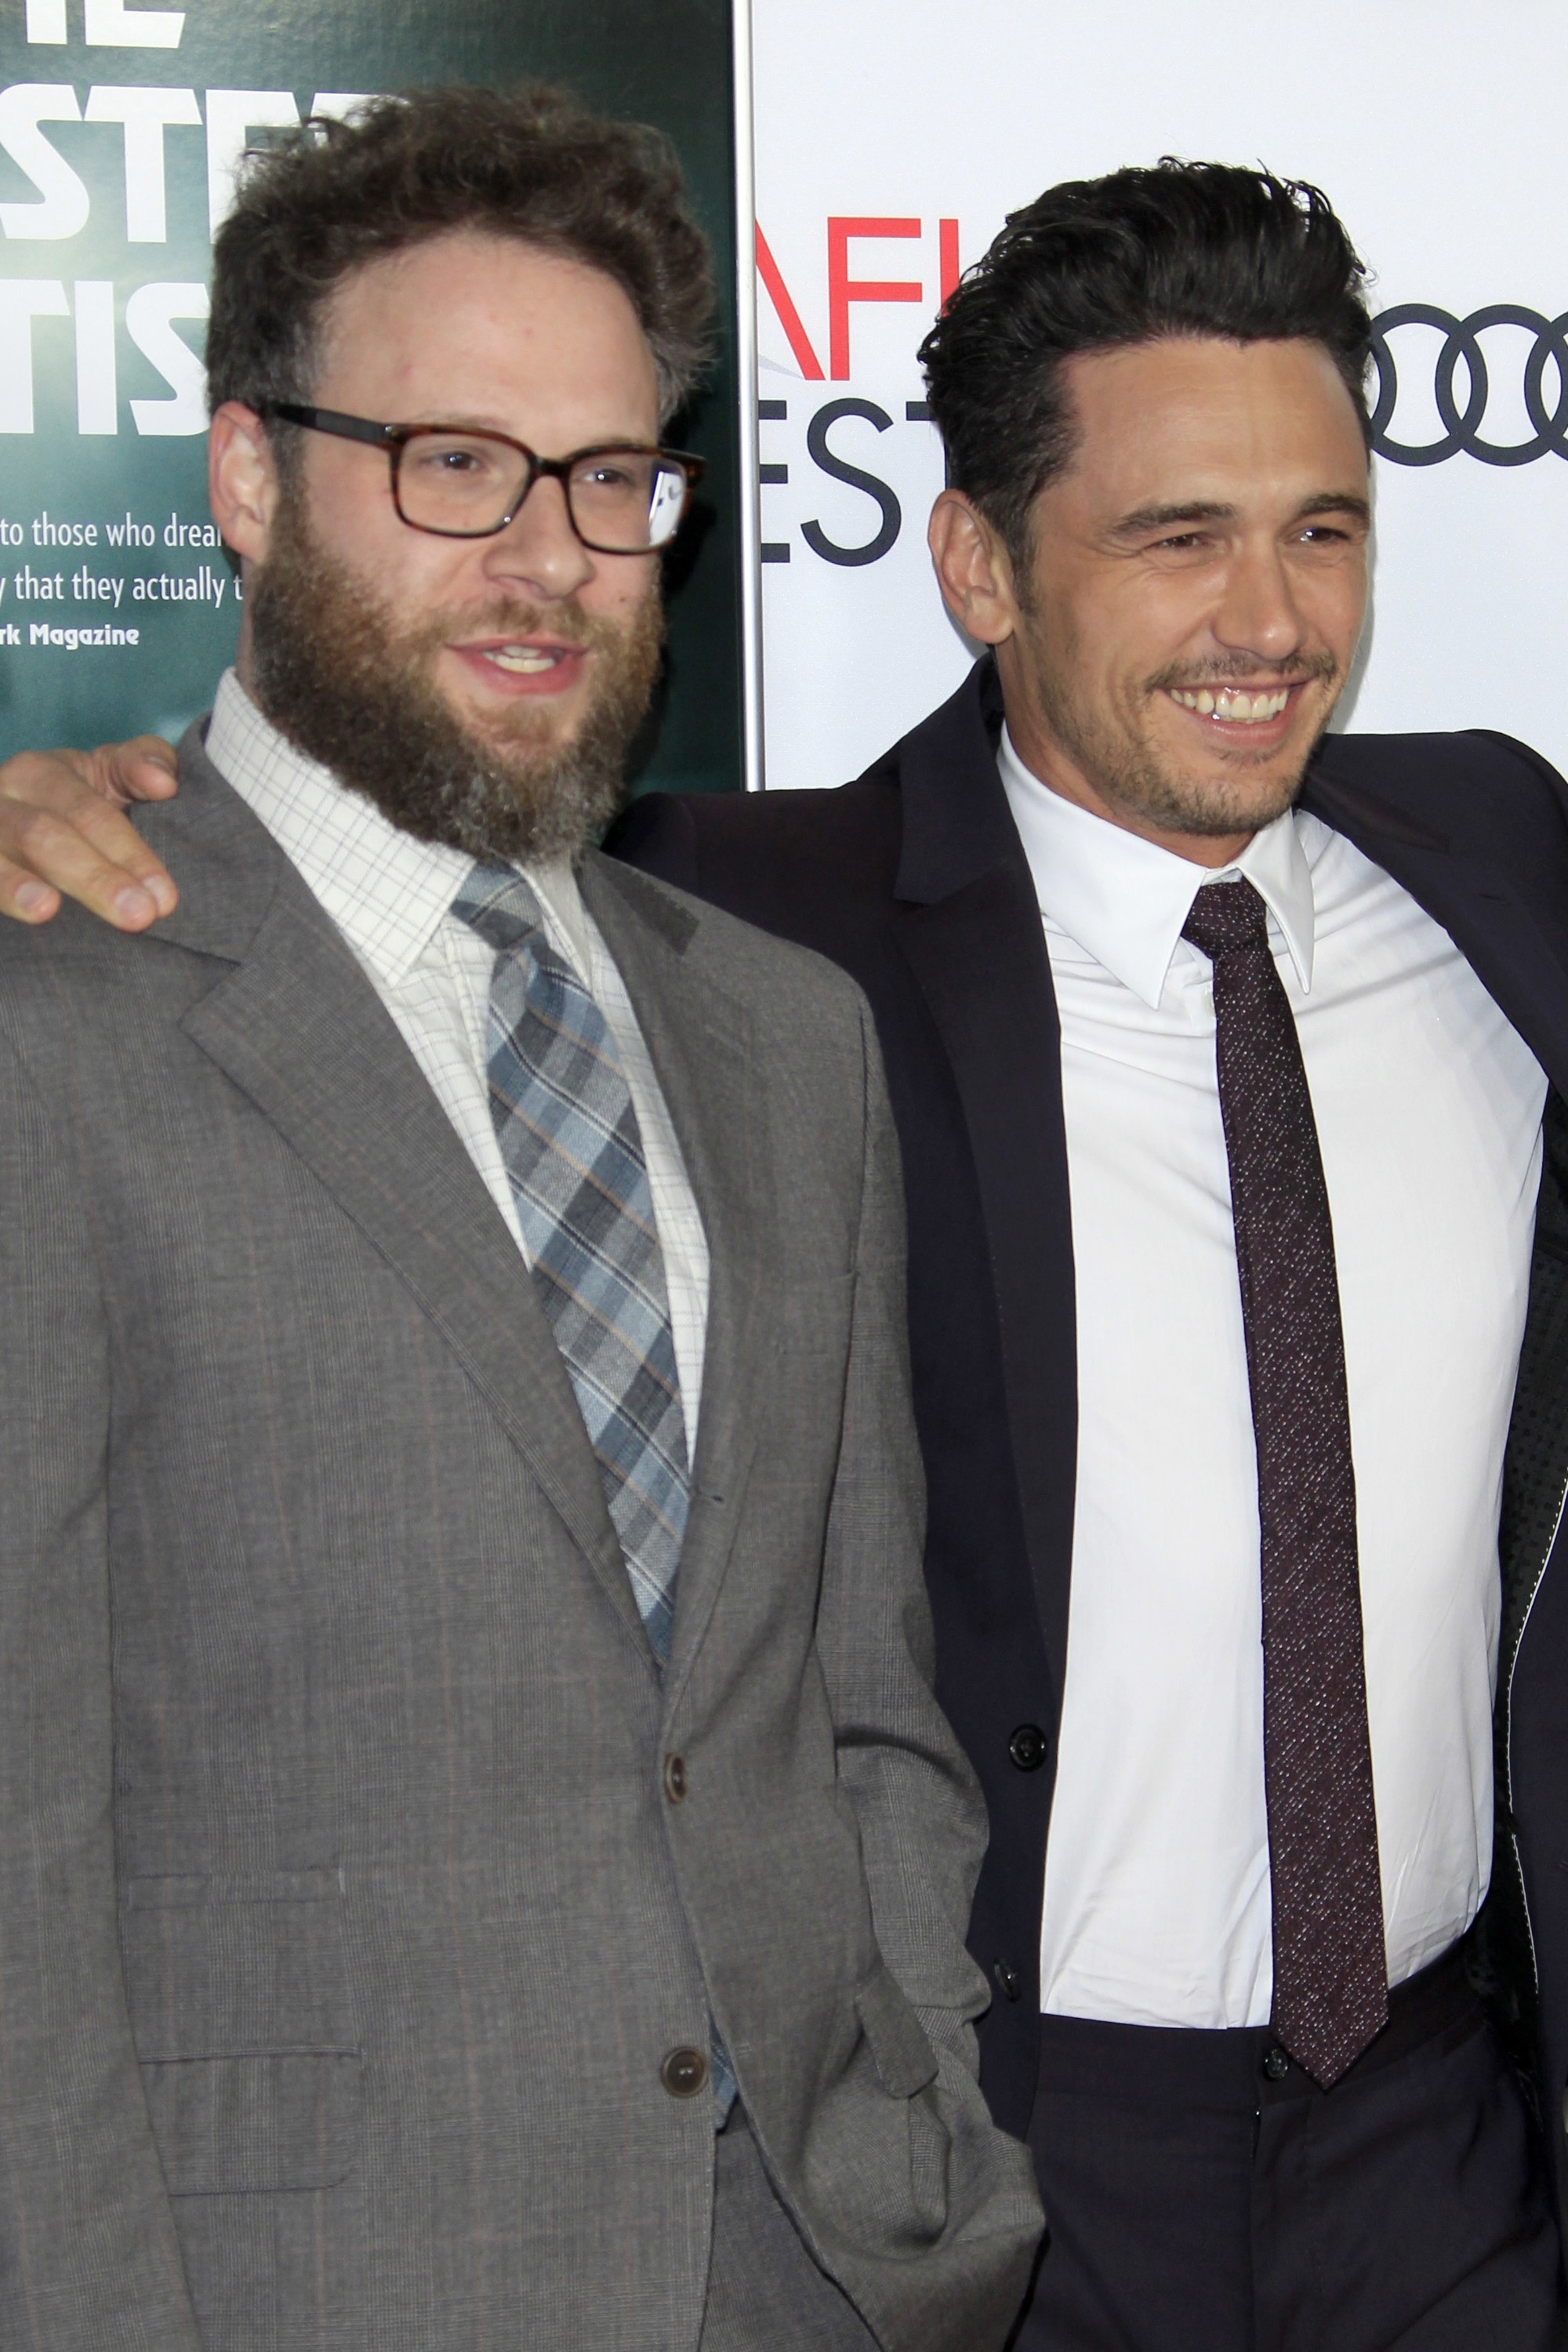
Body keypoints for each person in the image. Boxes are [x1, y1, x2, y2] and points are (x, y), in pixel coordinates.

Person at [9, 158, 1568, 2351]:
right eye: (1175, 536)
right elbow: (349, 852)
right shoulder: (764, 926)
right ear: (976, 563)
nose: (1270, 619)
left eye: (1324, 530)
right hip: (1030, 2155)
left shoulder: (1499, 858)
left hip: (1434, 2142)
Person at [0, 83, 1046, 2352]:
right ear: (251, 478)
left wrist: (923, 2123)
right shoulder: (44, 1027)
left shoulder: (785, 1040)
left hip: (816, 2275)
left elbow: (860, 1709)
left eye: (605, 480)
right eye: (450, 464)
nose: (548, 553)